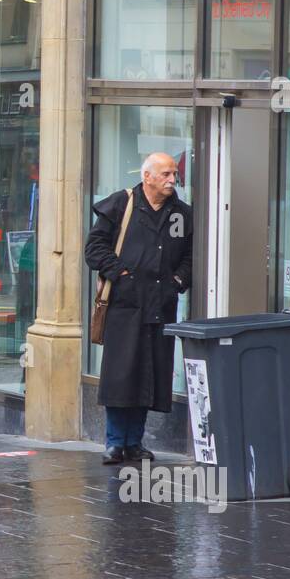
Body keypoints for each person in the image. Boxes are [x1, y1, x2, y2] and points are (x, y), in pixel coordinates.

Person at [84, 152, 193, 465]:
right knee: (122, 374)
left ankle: (135, 441)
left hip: (160, 305)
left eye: (174, 174)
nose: (173, 180)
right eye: (166, 174)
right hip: (125, 306)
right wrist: (121, 274)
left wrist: (177, 281)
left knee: (149, 373)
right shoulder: (122, 204)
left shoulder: (181, 214)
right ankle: (115, 441)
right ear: (148, 176)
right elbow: (95, 248)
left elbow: (189, 255)